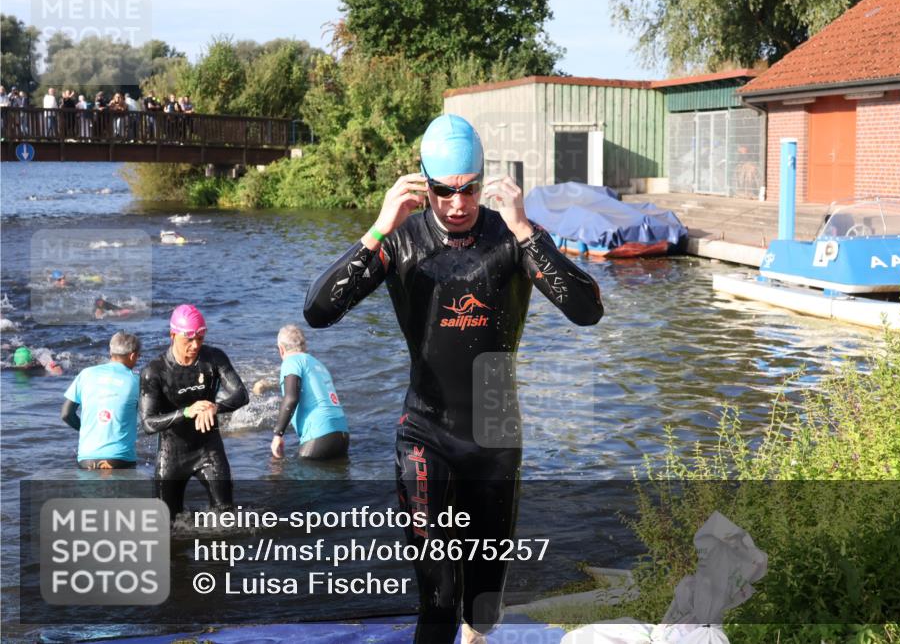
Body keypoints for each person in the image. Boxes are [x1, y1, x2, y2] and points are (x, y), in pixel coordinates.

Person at [303, 114, 604, 644]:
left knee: (484, 602)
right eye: (444, 191)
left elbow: (587, 311)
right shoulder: (401, 241)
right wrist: (378, 228)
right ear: (424, 181)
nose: (458, 204)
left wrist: (525, 229)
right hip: (426, 435)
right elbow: (318, 312)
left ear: (483, 181)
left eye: (468, 190)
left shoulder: (511, 237)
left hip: (495, 437)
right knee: (438, 597)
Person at [140, 304, 248, 520]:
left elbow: (241, 395)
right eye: (188, 339)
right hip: (172, 456)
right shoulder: (154, 371)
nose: (195, 345)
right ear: (173, 335)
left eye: (200, 338)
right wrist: (186, 412)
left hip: (209, 451)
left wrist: (215, 407)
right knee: (167, 525)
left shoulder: (214, 359)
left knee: (226, 518)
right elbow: (148, 424)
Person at [61, 332, 141, 470]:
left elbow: (66, 414)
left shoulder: (86, 374)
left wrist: (86, 430)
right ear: (133, 355)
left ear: (111, 351)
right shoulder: (136, 381)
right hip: (120, 459)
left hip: (87, 459)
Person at [270, 324, 348, 461]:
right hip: (342, 435)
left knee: (281, 473)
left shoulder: (291, 361)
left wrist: (278, 435)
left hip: (319, 435)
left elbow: (291, 398)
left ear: (281, 349)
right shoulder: (317, 363)